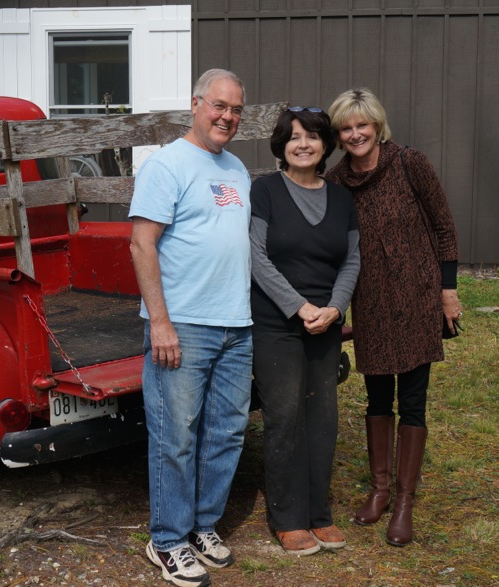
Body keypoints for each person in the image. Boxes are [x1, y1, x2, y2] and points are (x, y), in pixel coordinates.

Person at [129, 69, 253, 587]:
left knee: (225, 431)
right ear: (197, 104)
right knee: (175, 436)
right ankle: (168, 540)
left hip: (237, 325)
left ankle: (203, 525)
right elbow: (141, 243)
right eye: (219, 106)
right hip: (184, 325)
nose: (227, 116)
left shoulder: (238, 168)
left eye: (236, 109)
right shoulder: (166, 165)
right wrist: (160, 322)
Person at [326, 88, 461, 547]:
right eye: (346, 127)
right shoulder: (336, 180)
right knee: (378, 397)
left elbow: (443, 226)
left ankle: (405, 499)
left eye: (362, 124)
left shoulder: (409, 163)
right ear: (339, 135)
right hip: (371, 301)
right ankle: (380, 489)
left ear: (377, 125)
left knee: (414, 400)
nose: (356, 133)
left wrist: (448, 292)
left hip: (419, 294)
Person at [250, 107, 360, 556]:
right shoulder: (267, 191)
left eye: (312, 137)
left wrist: (335, 308)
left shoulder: (341, 199)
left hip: (326, 324)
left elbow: (351, 260)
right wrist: (299, 307)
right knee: (285, 416)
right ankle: (289, 517)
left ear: (324, 145)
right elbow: (256, 256)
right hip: (276, 322)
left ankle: (319, 513)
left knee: (323, 420)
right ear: (282, 144)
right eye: (294, 137)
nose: (303, 144)